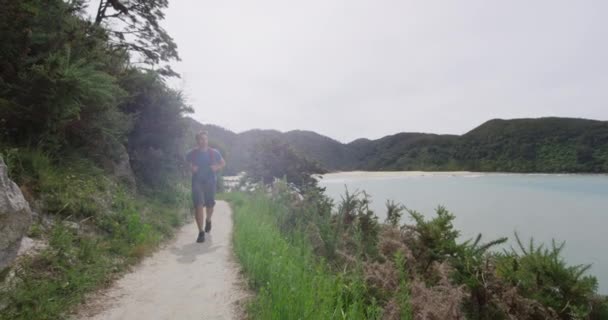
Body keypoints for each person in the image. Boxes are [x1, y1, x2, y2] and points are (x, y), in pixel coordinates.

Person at [186, 130, 225, 243]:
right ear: (197, 141)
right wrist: (191, 168)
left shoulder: (214, 152)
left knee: (209, 205)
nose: (203, 141)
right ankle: (201, 232)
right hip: (197, 181)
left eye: (205, 139)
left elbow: (223, 163)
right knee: (198, 205)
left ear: (207, 140)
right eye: (201, 139)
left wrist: (216, 167)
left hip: (210, 181)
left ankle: (208, 220)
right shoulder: (192, 153)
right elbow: (187, 163)